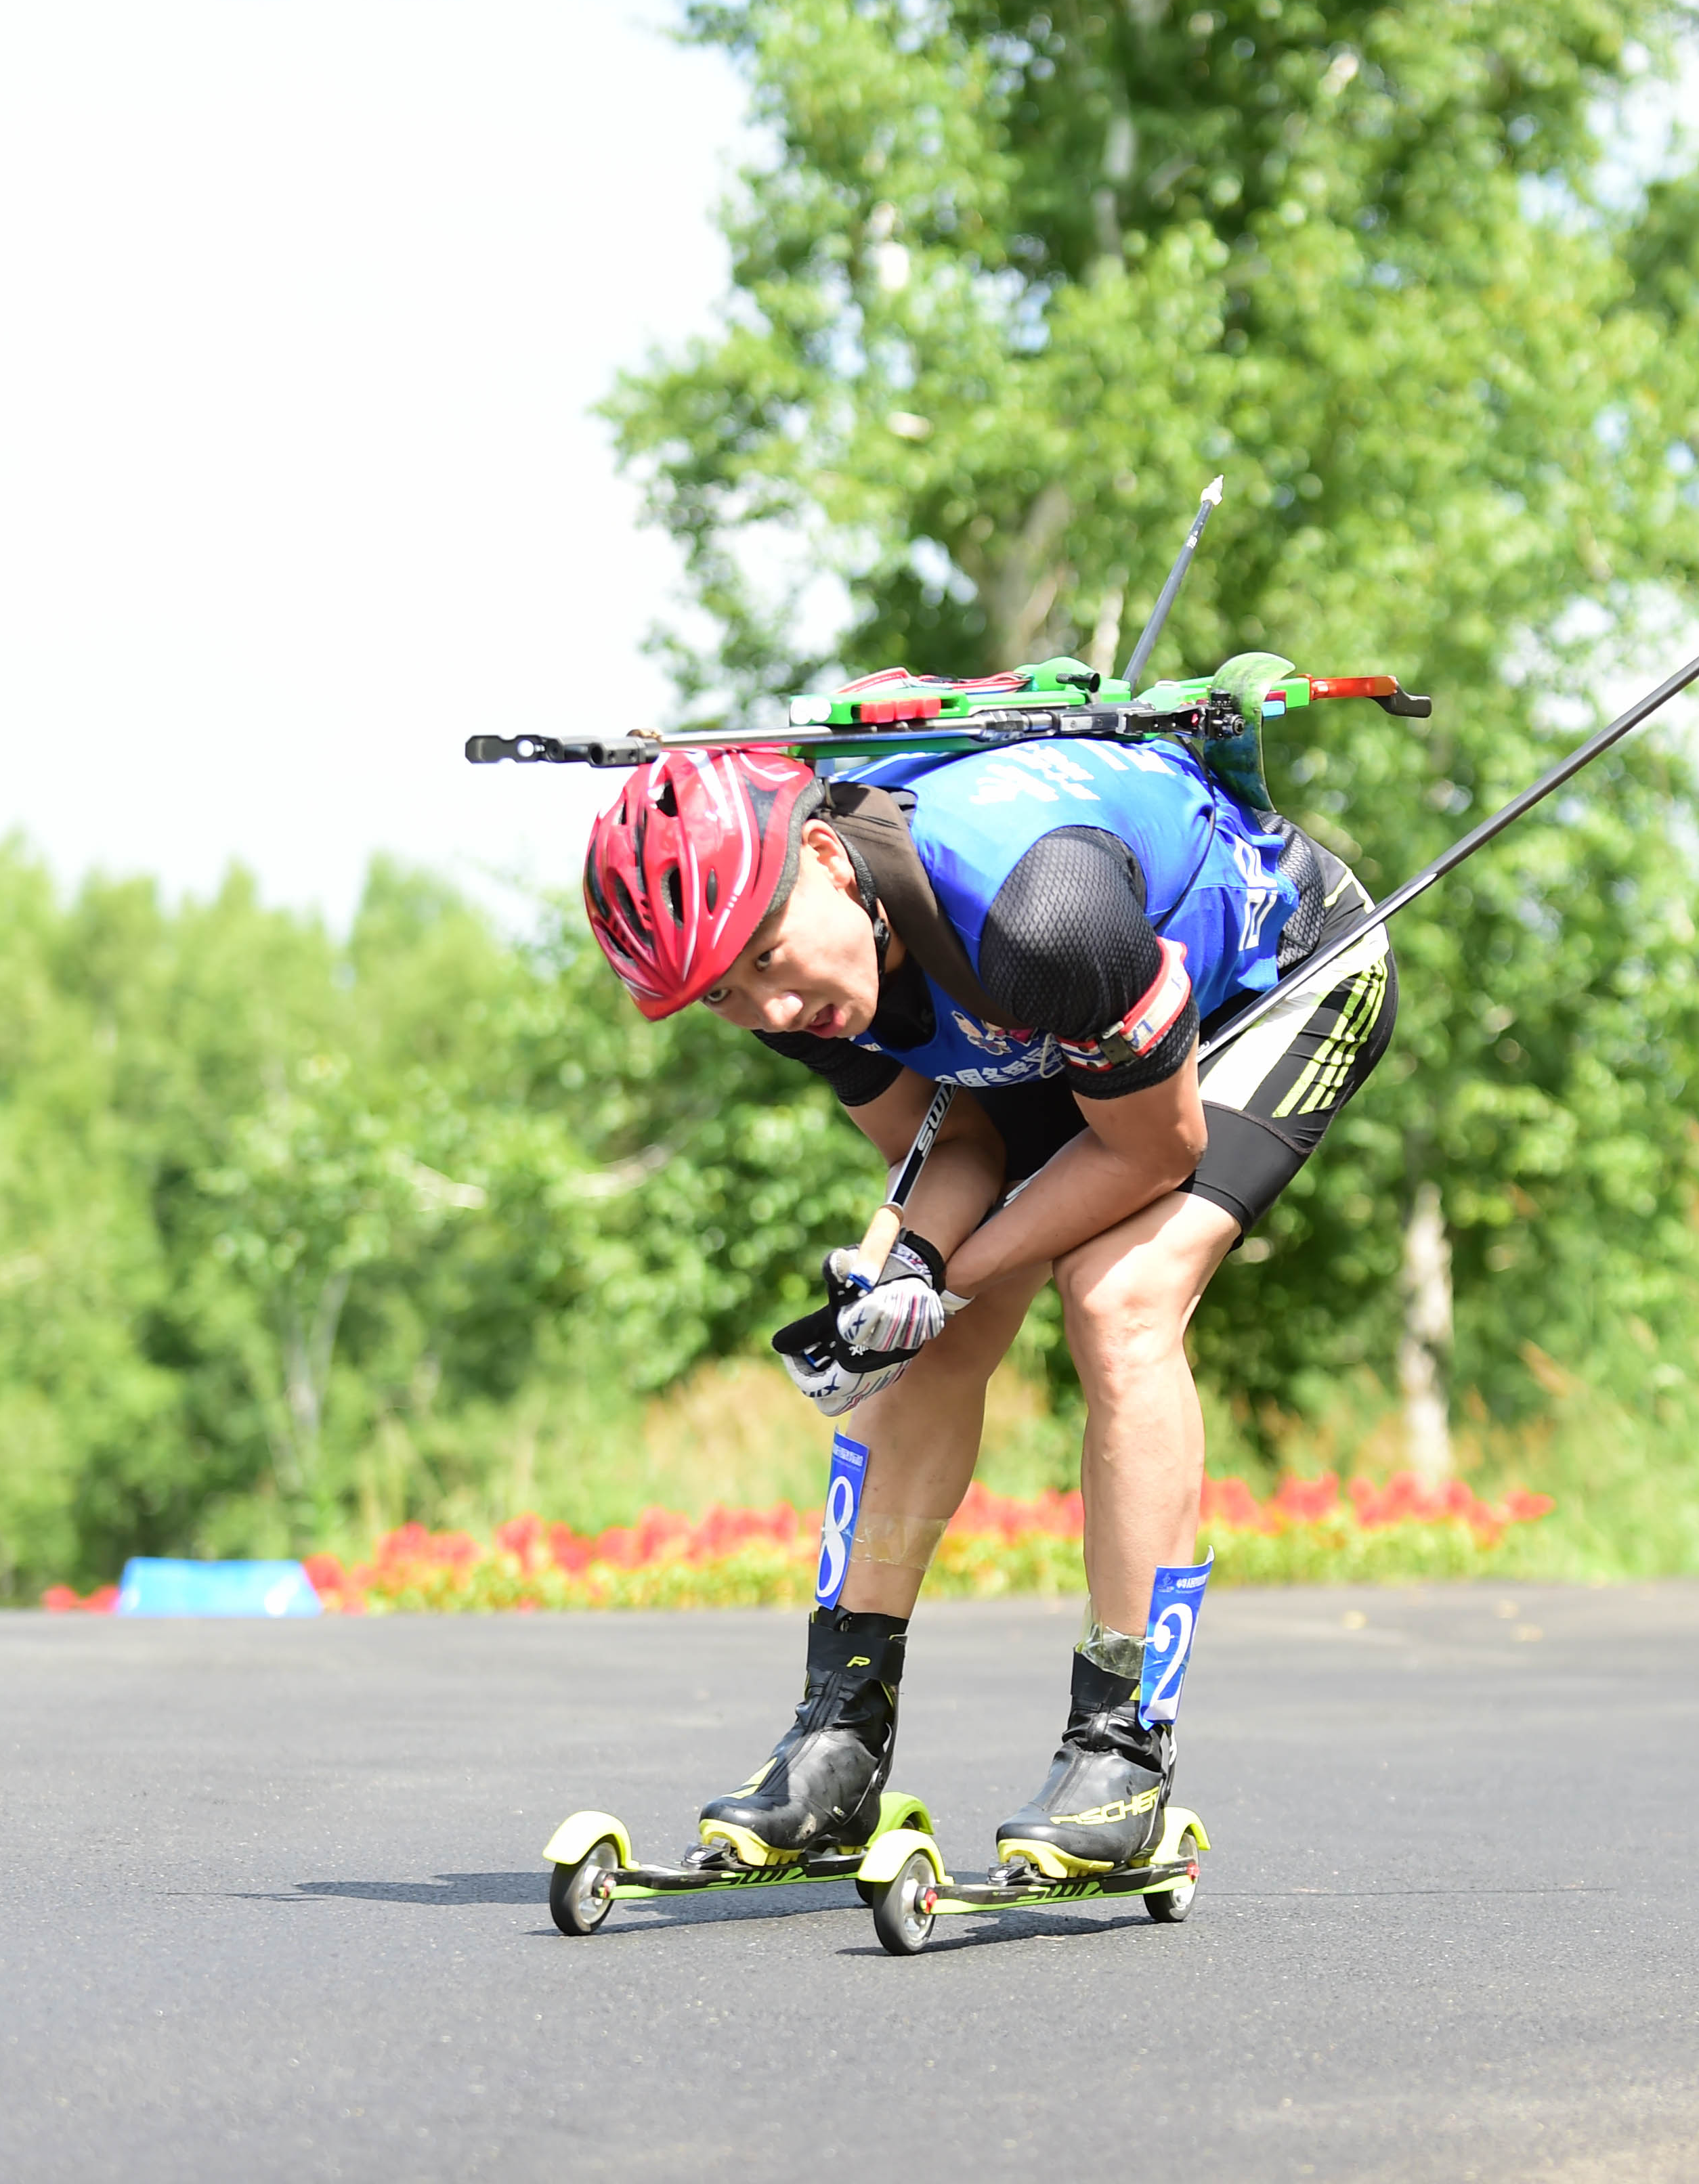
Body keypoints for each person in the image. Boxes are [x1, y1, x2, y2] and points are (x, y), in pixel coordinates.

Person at [580, 712, 1398, 1876]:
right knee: (907, 1341)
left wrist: (945, 1272)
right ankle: (839, 1739)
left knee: (1118, 1296)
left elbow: (1150, 1156)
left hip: (1270, 983)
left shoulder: (1040, 920)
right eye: (719, 996)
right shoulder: (801, 962)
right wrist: (902, 1273)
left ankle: (1124, 1748)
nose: (763, 1010)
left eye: (764, 961)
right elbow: (955, 1133)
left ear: (822, 860)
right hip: (1072, 1037)